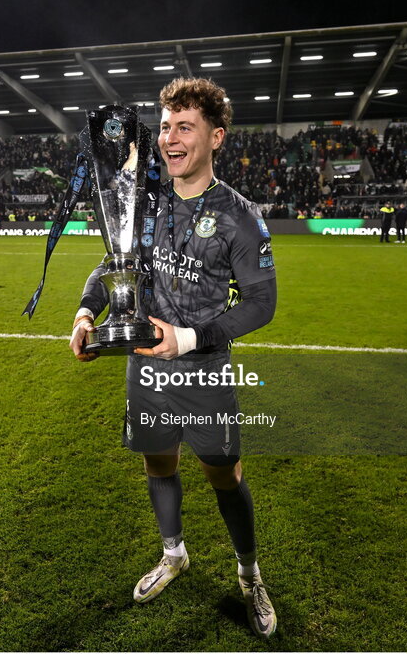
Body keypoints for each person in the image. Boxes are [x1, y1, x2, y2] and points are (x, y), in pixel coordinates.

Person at [70, 77, 278, 638]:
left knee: (224, 475)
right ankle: (174, 553)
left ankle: (249, 573)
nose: (170, 138)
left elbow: (263, 304)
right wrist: (87, 313)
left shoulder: (240, 216)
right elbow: (112, 261)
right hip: (146, 372)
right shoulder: (145, 201)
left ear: (217, 137)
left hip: (205, 374)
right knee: (158, 464)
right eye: (164, 126)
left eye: (185, 127)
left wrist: (187, 339)